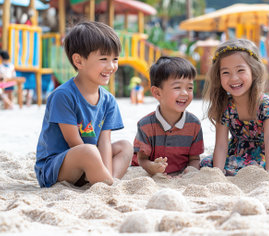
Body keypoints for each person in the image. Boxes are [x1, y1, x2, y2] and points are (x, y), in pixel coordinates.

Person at [34, 21, 133, 188]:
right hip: (56, 167)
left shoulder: (108, 100)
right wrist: (94, 164)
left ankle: (108, 181)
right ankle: (103, 181)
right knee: (88, 151)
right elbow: (73, 141)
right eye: (103, 59)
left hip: (90, 160)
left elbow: (104, 142)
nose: (111, 66)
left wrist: (104, 170)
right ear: (79, 61)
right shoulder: (63, 96)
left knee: (125, 147)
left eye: (114, 59)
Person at [200, 39, 269, 180]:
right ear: (218, 76)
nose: (234, 78)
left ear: (254, 71)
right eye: (226, 72)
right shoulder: (225, 106)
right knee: (207, 163)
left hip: (263, 154)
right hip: (236, 154)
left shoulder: (266, 105)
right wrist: (217, 173)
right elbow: (220, 145)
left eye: (240, 70)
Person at [132, 56, 204, 177]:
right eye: (177, 87)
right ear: (157, 93)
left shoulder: (194, 124)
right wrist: (152, 167)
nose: (185, 93)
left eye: (189, 87)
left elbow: (195, 158)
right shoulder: (145, 125)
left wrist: (190, 171)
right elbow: (142, 159)